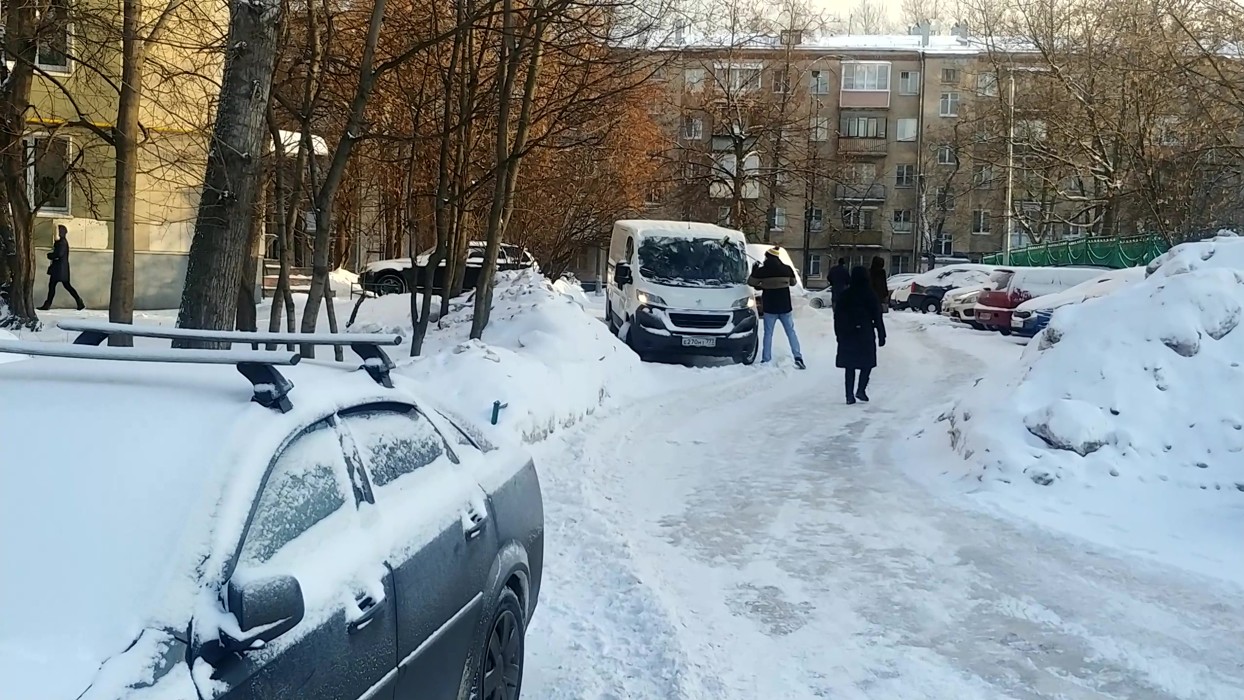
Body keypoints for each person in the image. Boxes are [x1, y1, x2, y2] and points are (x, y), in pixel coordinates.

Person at [834, 266, 886, 404]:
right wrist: (882, 334)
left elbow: (837, 316)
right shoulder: (870, 294)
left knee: (849, 366)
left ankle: (849, 395)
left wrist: (838, 334)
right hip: (865, 333)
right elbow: (877, 315)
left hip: (847, 333)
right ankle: (861, 390)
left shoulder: (845, 295)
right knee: (867, 363)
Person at [748, 247, 805, 369]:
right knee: (791, 332)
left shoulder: (762, 271)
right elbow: (793, 283)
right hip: (785, 307)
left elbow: (751, 282)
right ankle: (798, 356)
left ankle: (766, 359)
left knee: (768, 333)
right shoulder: (786, 269)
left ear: (767, 257)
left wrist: (755, 270)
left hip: (770, 307)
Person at [39, 225, 85, 311]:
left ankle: (48, 304)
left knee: (55, 286)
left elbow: (58, 254)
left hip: (59, 268)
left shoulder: (62, 242)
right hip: (61, 268)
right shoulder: (62, 242)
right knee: (63, 286)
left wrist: (50, 255)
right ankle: (79, 301)